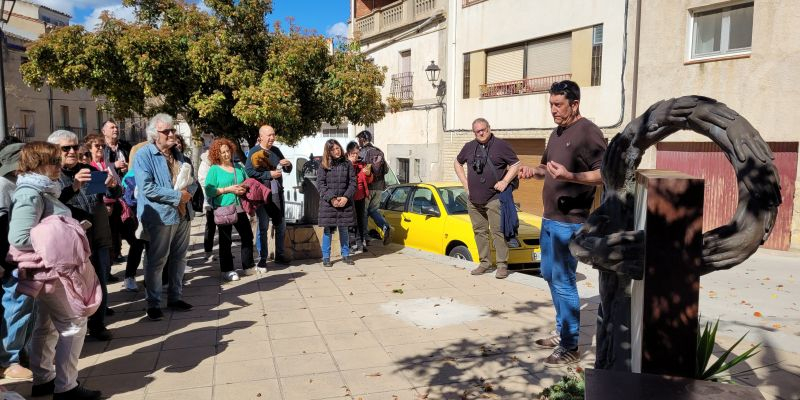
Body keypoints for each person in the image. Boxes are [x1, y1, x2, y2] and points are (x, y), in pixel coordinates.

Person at [518, 80, 606, 366]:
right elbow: (548, 167)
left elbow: (604, 174)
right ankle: (561, 330)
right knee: (548, 274)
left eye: (558, 105)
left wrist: (572, 177)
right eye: (551, 105)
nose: (553, 110)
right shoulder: (556, 134)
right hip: (549, 218)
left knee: (564, 281)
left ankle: (570, 345)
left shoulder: (588, 132)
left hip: (570, 223)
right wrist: (535, 170)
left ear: (575, 104)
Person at [8, 142, 101, 400]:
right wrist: (68, 234)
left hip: (51, 271)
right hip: (52, 271)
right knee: (74, 323)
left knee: (46, 326)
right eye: (55, 162)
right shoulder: (31, 193)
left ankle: (44, 379)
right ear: (38, 164)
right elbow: (19, 237)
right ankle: (66, 387)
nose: (60, 166)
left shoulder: (42, 189)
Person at [50, 131, 121, 342]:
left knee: (97, 281)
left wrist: (113, 186)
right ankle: (73, 328)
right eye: (66, 148)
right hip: (68, 243)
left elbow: (112, 195)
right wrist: (74, 186)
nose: (72, 151)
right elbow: (54, 204)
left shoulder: (88, 170)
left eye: (74, 147)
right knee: (72, 287)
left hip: (96, 236)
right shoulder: (51, 175)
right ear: (55, 150)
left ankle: (98, 325)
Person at [134, 113, 197, 321]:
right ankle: (153, 303)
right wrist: (178, 195)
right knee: (157, 260)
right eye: (166, 131)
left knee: (180, 258)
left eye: (173, 130)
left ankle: (175, 297)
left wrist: (189, 193)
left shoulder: (179, 155)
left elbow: (193, 181)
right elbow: (146, 188)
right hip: (161, 216)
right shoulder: (144, 155)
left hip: (183, 214)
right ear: (155, 135)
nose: (171, 134)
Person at [454, 118, 521, 279]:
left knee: (498, 232)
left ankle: (502, 266)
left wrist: (505, 181)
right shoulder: (469, 147)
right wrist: (465, 184)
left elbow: (516, 164)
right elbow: (457, 163)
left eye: (484, 129)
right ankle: (484, 263)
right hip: (473, 199)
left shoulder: (501, 145)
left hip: (494, 198)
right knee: (479, 232)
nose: (481, 133)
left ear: (489, 128)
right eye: (478, 131)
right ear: (474, 133)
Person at [0, 139, 34, 380]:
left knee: (26, 308)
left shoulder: (20, 182)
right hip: (11, 260)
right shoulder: (3, 185)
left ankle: (19, 353)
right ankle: (8, 359)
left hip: (24, 258)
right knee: (15, 307)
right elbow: (1, 225)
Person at [203, 138, 255, 281]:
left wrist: (243, 189)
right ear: (217, 154)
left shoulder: (238, 167)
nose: (226, 154)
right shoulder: (214, 169)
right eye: (223, 152)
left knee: (247, 237)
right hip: (224, 209)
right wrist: (228, 189)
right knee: (225, 241)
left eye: (227, 151)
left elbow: (247, 182)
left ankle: (248, 265)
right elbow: (209, 190)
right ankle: (227, 270)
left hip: (239, 207)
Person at [244, 125, 292, 267]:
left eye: (273, 134)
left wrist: (287, 164)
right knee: (263, 226)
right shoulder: (254, 151)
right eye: (269, 135)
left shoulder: (276, 151)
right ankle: (262, 258)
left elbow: (286, 168)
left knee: (281, 225)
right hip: (262, 195)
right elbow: (249, 172)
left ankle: (280, 254)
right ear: (261, 136)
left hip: (277, 193)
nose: (272, 138)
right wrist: (268, 174)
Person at [317, 139, 356, 268]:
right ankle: (326, 257)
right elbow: (321, 185)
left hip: (345, 201)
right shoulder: (323, 165)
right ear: (328, 152)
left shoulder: (347, 164)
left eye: (337, 148)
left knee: (344, 229)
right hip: (329, 203)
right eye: (333, 150)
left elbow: (352, 183)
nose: (336, 151)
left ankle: (345, 255)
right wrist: (332, 199)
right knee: (328, 231)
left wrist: (345, 197)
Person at [101, 120, 131, 266]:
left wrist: (127, 168)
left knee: (125, 222)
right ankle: (113, 255)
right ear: (104, 131)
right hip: (109, 191)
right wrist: (114, 165)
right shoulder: (101, 148)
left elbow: (133, 163)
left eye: (116, 127)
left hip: (125, 189)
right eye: (112, 127)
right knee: (112, 225)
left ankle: (119, 251)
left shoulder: (125, 146)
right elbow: (99, 166)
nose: (115, 129)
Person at [356, 130, 392, 245]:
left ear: (362, 139)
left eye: (359, 139)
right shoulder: (379, 151)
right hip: (379, 187)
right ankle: (385, 226)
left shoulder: (362, 152)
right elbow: (386, 170)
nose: (358, 142)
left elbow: (360, 169)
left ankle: (365, 238)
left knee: (364, 212)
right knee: (374, 210)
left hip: (367, 187)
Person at [346, 141, 372, 253]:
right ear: (348, 154)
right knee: (350, 222)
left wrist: (368, 175)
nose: (355, 156)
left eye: (357, 153)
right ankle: (350, 245)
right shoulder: (345, 165)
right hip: (348, 197)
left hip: (360, 196)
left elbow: (369, 180)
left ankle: (361, 243)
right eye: (353, 154)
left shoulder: (362, 164)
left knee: (361, 221)